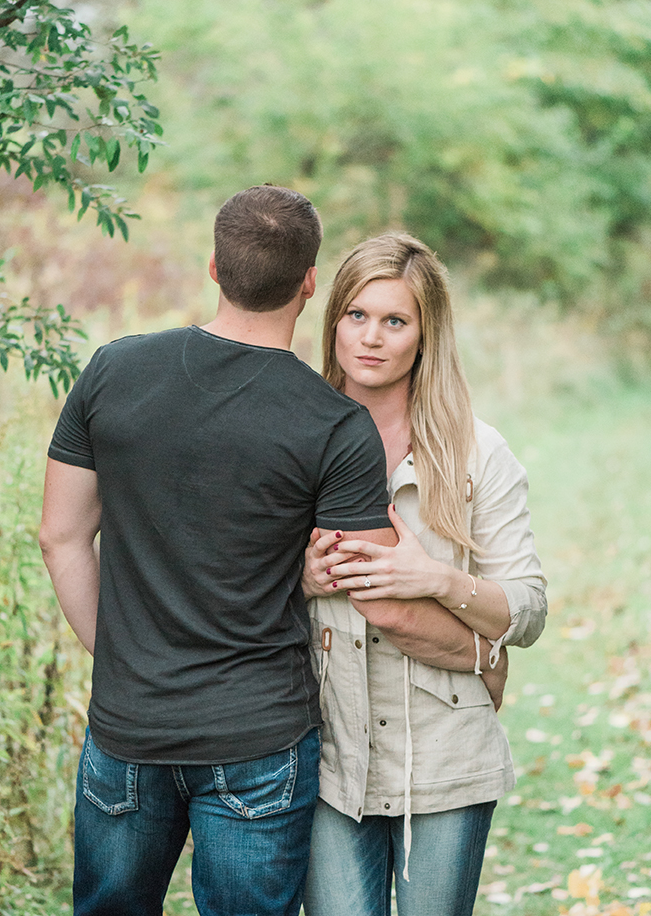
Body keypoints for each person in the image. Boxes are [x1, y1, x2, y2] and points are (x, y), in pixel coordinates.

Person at [39, 185, 406, 916]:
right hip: (259, 736)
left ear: (213, 267)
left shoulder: (113, 370)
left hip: (128, 727)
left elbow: (61, 535)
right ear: (309, 282)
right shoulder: (334, 426)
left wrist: (118, 658)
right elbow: (374, 584)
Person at [302, 232, 547, 916]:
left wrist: (435, 579)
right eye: (355, 315)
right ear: (332, 322)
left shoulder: (476, 451)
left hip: (446, 754)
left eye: (394, 320)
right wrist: (300, 577)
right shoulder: (291, 435)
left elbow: (526, 611)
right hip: (327, 752)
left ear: (423, 334)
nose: (370, 338)